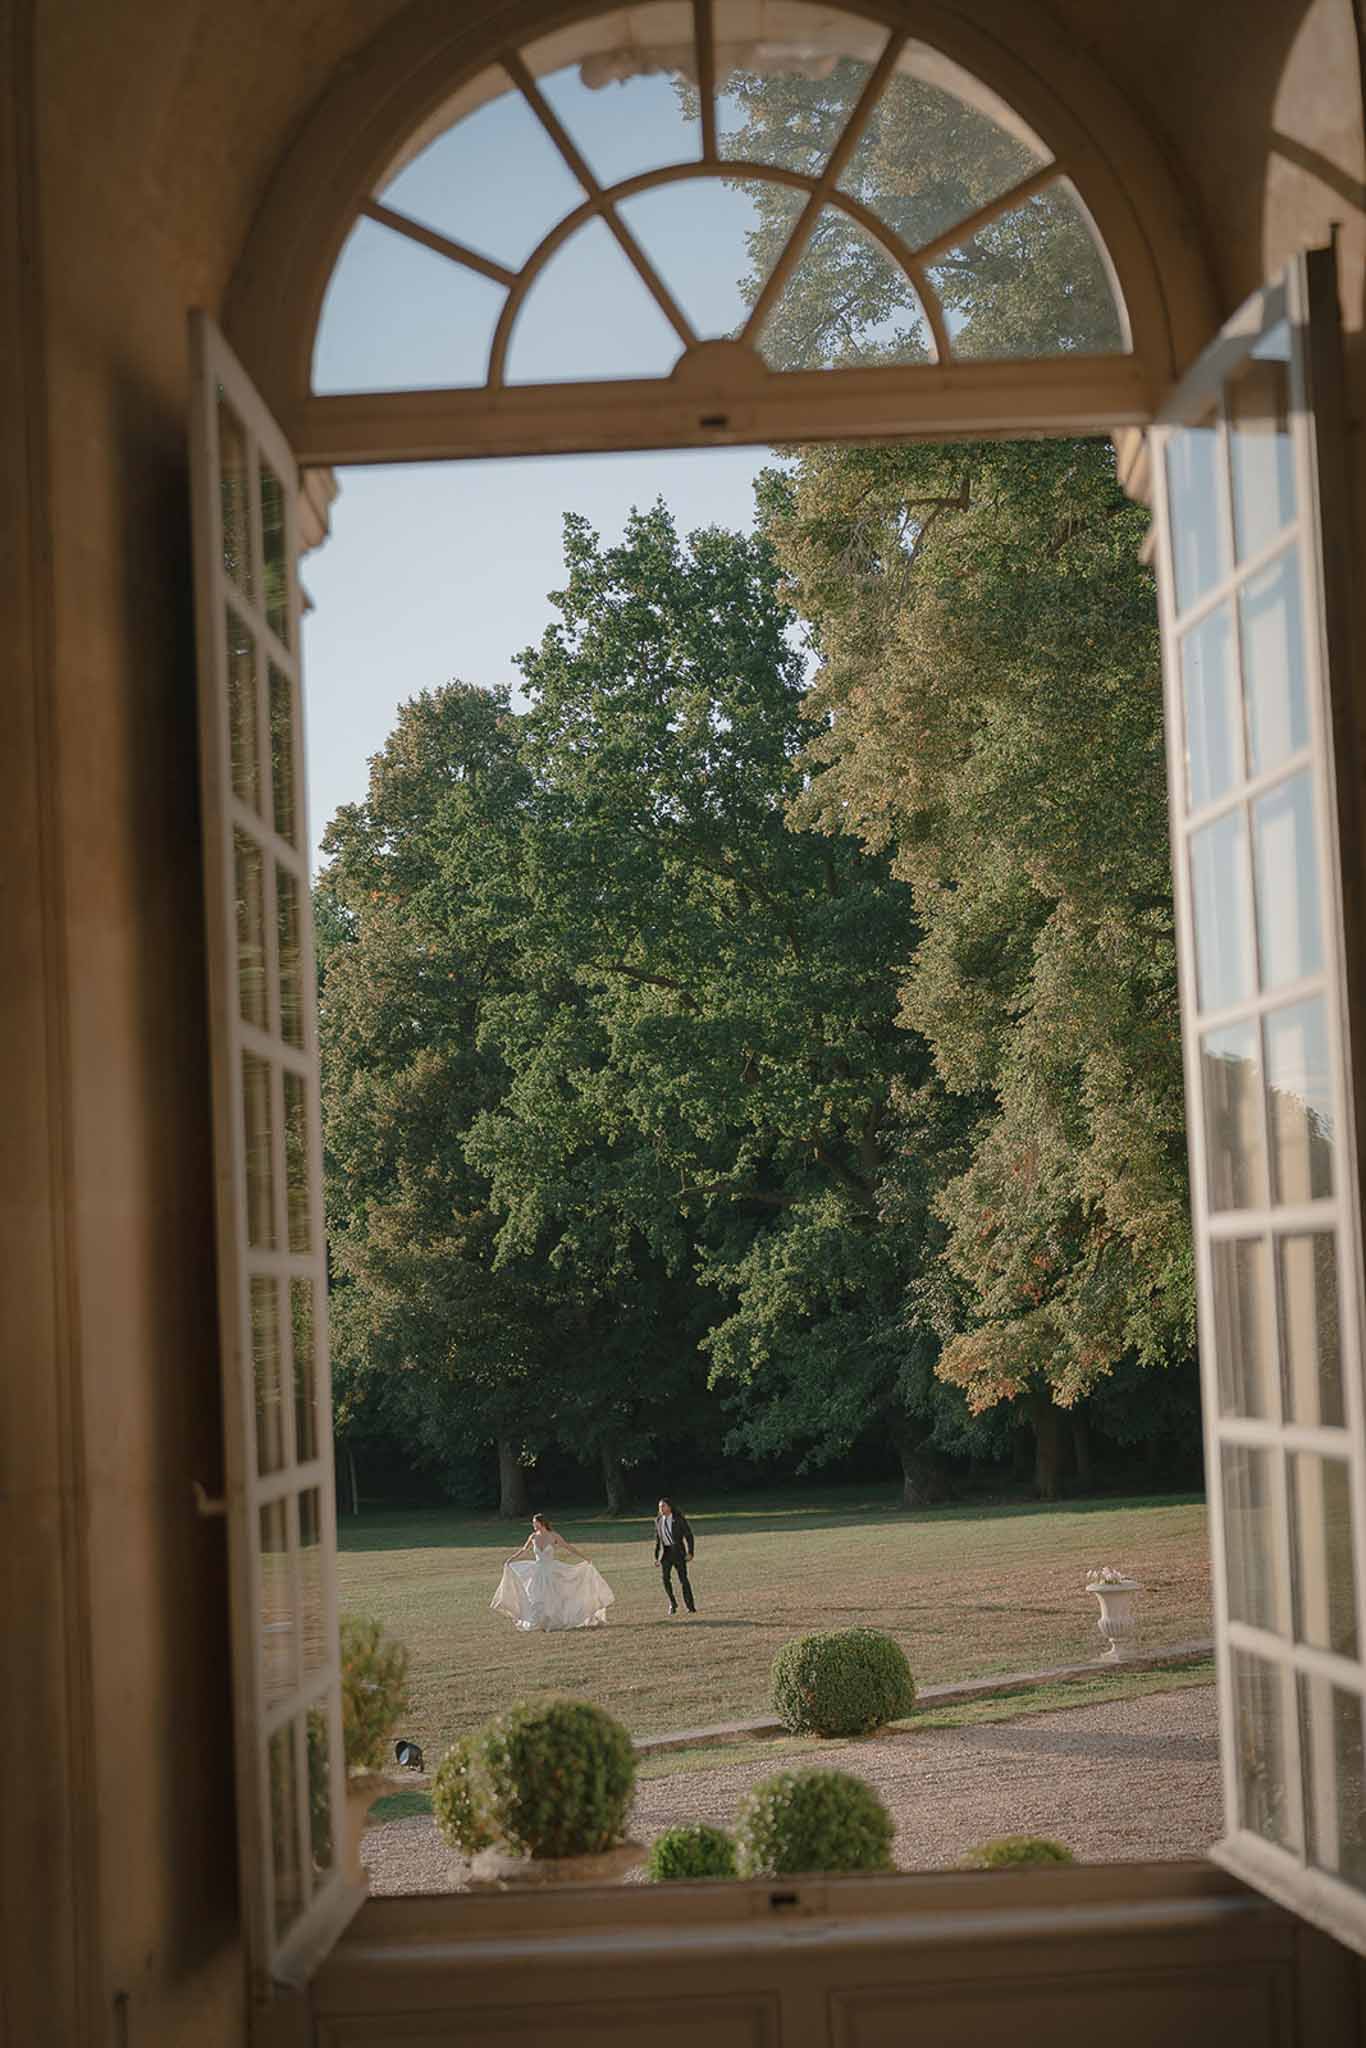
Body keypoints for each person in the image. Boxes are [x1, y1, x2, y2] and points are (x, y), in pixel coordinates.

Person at [490, 1513, 615, 1632]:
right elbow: (523, 1549)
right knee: (536, 1596)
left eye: (535, 1523)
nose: (533, 1525)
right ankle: (540, 1621)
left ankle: (555, 1621)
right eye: (533, 1523)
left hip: (551, 1570)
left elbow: (567, 1546)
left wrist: (585, 1557)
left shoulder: (553, 1535)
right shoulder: (533, 1537)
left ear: (541, 1523)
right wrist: (511, 1559)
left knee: (554, 1596)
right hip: (538, 1571)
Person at [653, 1497, 696, 1616]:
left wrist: (690, 1552)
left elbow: (689, 1535)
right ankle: (673, 1603)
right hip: (665, 1554)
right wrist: (656, 1557)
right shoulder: (658, 1520)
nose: (661, 1509)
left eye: (663, 1506)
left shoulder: (678, 1519)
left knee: (683, 1579)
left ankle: (690, 1606)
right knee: (665, 1579)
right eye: (660, 1507)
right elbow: (658, 1540)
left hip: (678, 1553)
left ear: (669, 1507)